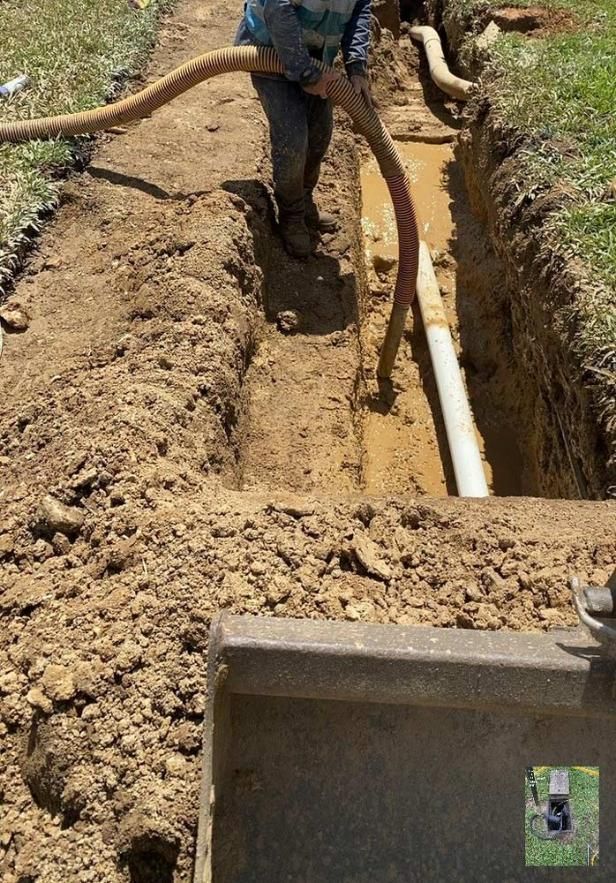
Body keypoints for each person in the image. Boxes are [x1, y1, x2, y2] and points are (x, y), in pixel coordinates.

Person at [235, 0, 373, 258]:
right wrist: (306, 74)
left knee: (320, 136)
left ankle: (304, 198)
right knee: (293, 142)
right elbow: (278, 7)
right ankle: (292, 215)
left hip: (317, 56)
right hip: (270, 51)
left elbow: (360, 8)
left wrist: (356, 65)